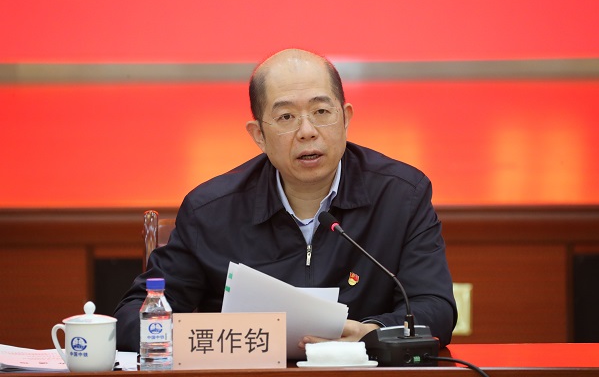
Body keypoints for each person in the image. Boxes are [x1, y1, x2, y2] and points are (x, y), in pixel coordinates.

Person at [114, 48, 457, 354]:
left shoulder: (401, 196)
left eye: (321, 111)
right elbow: (134, 317)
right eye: (286, 117)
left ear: (346, 118)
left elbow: (435, 308)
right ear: (258, 135)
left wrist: (373, 334)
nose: (307, 131)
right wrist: (216, 338)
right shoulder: (211, 212)